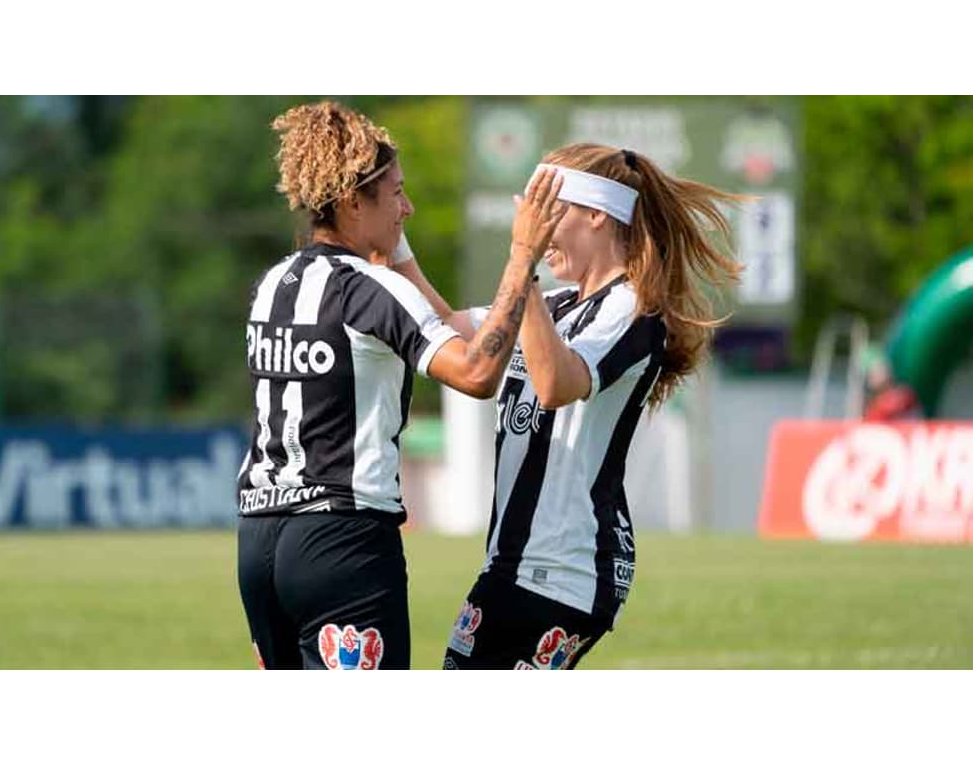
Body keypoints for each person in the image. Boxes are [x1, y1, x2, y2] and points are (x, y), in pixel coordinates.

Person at [235, 101, 566, 670]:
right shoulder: (367, 288)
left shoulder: (273, 284)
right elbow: (477, 372)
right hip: (343, 543)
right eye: (395, 194)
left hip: (258, 541)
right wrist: (521, 257)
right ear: (350, 201)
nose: (407, 207)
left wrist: (397, 248)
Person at [396, 143, 743, 669]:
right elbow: (446, 328)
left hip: (561, 571)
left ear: (598, 215)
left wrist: (524, 265)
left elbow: (558, 382)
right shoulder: (557, 302)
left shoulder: (633, 308)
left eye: (546, 214)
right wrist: (389, 241)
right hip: (517, 564)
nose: (535, 230)